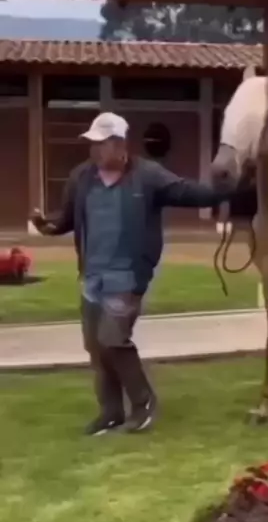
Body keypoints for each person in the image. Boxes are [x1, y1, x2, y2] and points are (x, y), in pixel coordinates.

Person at [30, 112, 233, 435]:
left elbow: (190, 193)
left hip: (127, 277)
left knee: (113, 339)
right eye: (92, 143)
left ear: (119, 144)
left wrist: (230, 188)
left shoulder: (148, 176)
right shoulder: (81, 177)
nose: (95, 150)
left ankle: (143, 403)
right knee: (97, 348)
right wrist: (48, 226)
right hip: (92, 277)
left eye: (101, 143)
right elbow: (68, 219)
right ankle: (111, 412)